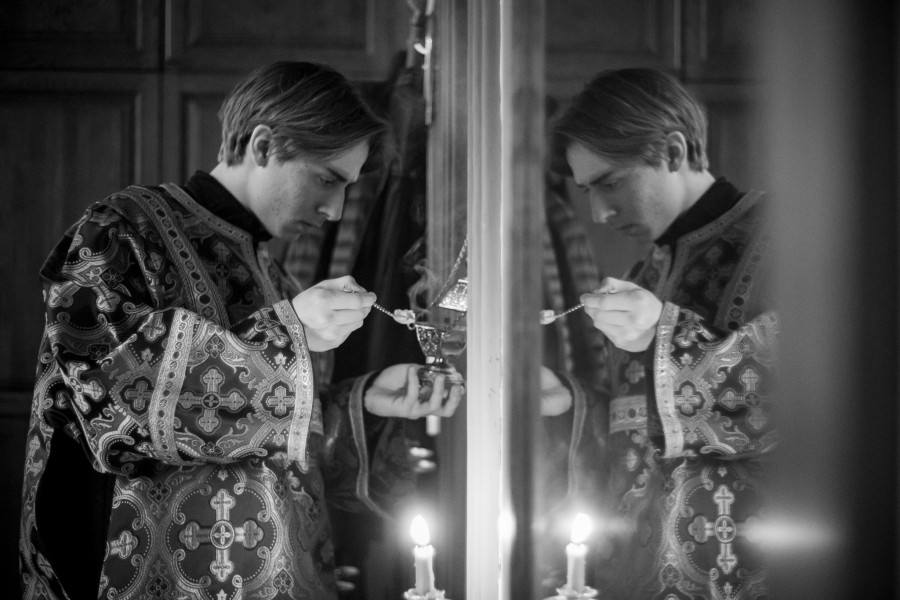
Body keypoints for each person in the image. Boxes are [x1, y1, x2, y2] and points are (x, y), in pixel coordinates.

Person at [18, 61, 463, 600]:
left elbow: (284, 448)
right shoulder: (120, 232)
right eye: (327, 179)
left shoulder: (277, 276)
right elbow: (108, 402)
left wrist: (363, 402)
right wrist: (286, 334)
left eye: (347, 187)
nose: (335, 210)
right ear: (262, 145)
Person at [544, 68, 776, 600]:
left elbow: (817, 391)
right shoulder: (642, 276)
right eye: (586, 191)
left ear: (673, 151)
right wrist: (572, 403)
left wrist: (668, 336)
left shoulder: (786, 237)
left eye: (610, 183)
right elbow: (636, 437)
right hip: (641, 575)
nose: (599, 212)